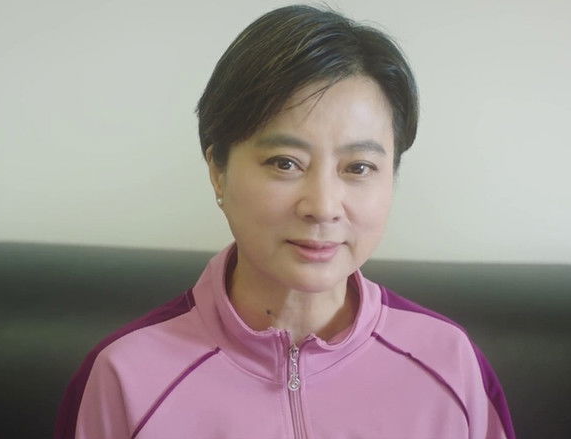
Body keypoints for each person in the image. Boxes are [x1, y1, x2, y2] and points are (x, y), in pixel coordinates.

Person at [54, 4, 515, 438]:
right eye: (285, 163)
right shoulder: (125, 375)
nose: (323, 206)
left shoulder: (450, 363)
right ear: (218, 170)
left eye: (358, 167)